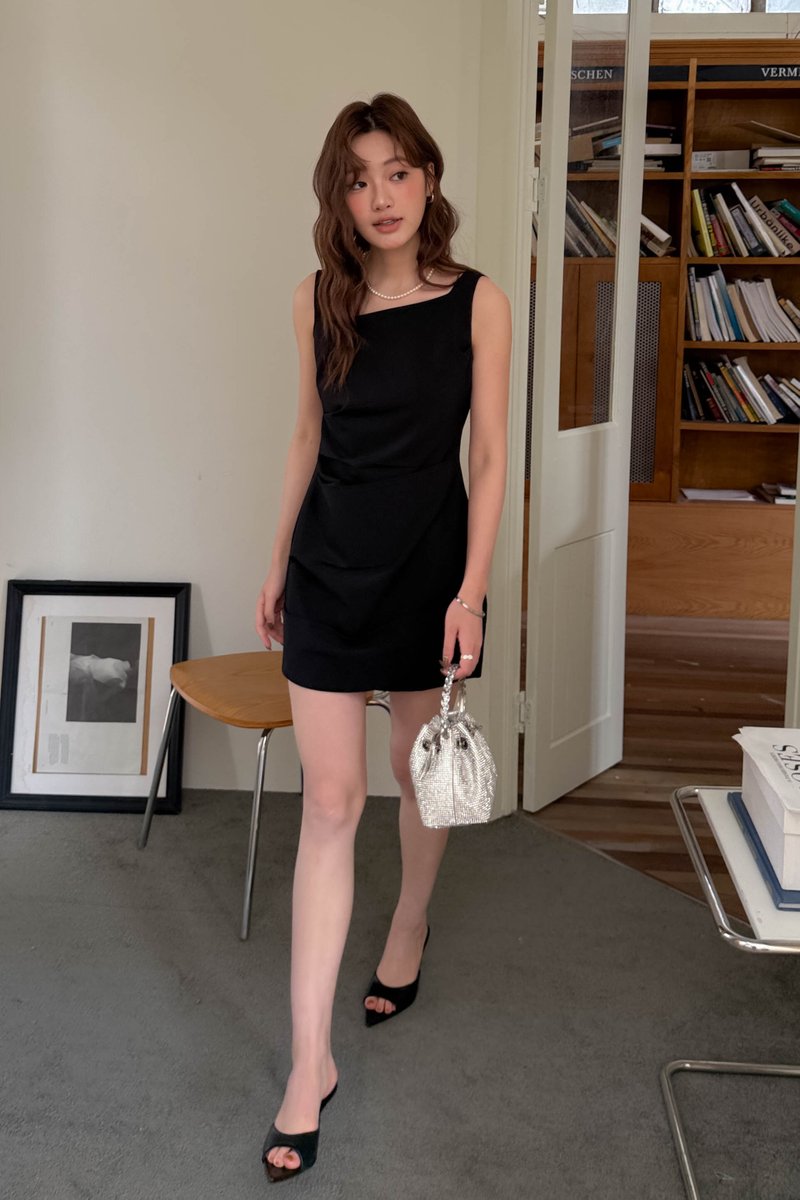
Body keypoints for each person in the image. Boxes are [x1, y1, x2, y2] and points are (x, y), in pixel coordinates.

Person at [254, 92, 510, 1183]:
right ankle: (307, 1063)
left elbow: (488, 456)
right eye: (358, 179)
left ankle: (407, 927)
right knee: (329, 803)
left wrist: (472, 592)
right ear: (340, 199)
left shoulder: (479, 301)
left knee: (414, 776)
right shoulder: (316, 299)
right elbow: (306, 434)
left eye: (397, 171)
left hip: (427, 575)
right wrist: (275, 558)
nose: (381, 196)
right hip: (328, 568)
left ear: (428, 177)